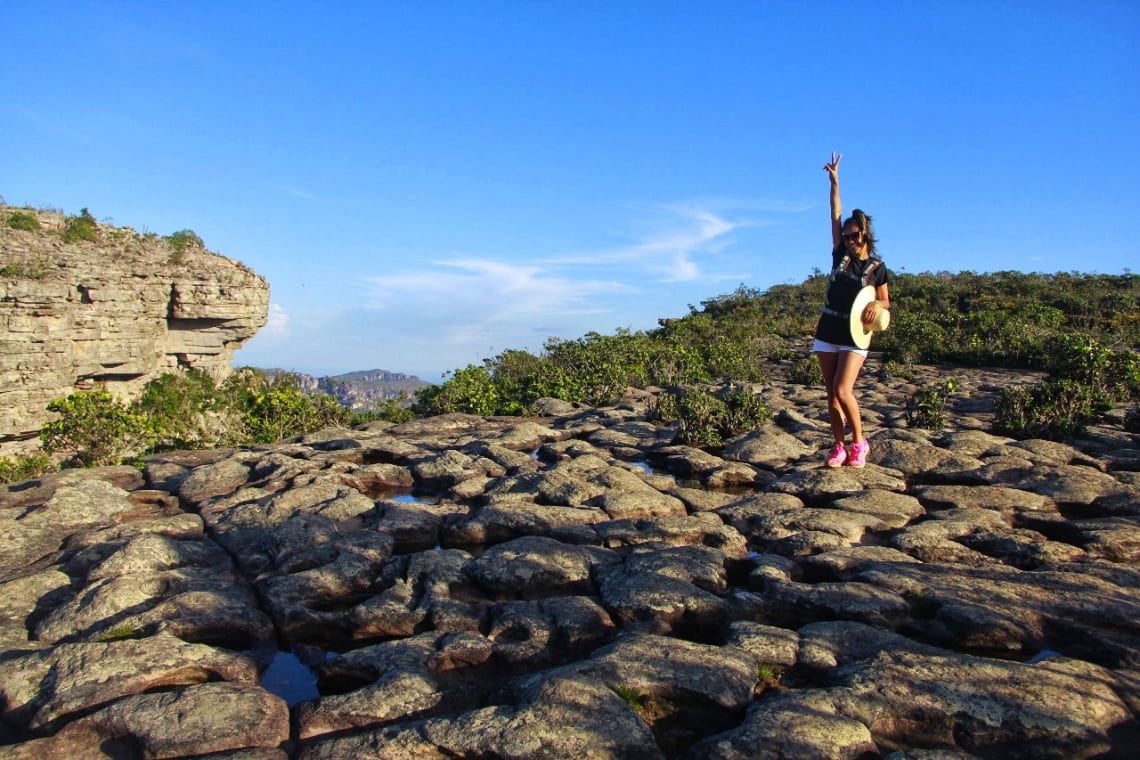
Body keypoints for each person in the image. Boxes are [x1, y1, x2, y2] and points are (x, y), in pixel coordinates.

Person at [814, 152, 891, 467]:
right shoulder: (839, 256)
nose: (849, 241)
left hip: (855, 334)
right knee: (830, 396)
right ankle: (838, 446)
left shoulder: (877, 267)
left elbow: (886, 301)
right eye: (845, 237)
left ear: (865, 235)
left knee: (843, 390)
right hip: (828, 329)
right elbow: (835, 214)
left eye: (854, 236)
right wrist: (834, 182)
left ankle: (859, 442)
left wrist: (876, 304)